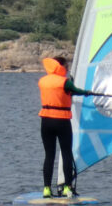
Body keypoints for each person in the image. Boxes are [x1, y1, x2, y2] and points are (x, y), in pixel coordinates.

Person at [37, 56, 92, 198]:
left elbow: (60, 92)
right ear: (60, 66)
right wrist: (86, 92)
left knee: (49, 155)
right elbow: (75, 90)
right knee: (67, 153)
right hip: (61, 121)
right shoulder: (65, 82)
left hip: (46, 121)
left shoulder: (43, 81)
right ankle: (68, 187)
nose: (67, 69)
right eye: (66, 66)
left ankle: (47, 189)